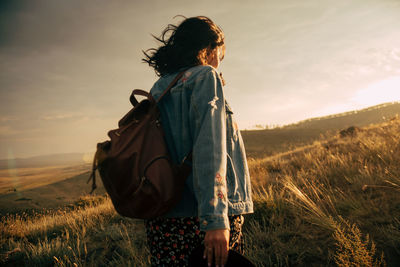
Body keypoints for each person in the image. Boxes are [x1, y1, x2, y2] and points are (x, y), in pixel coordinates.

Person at [142, 16, 253, 267]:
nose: (219, 62)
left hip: (164, 217)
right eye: (220, 54)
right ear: (211, 48)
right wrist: (215, 221)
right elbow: (210, 148)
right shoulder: (205, 77)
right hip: (200, 219)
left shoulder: (160, 87)